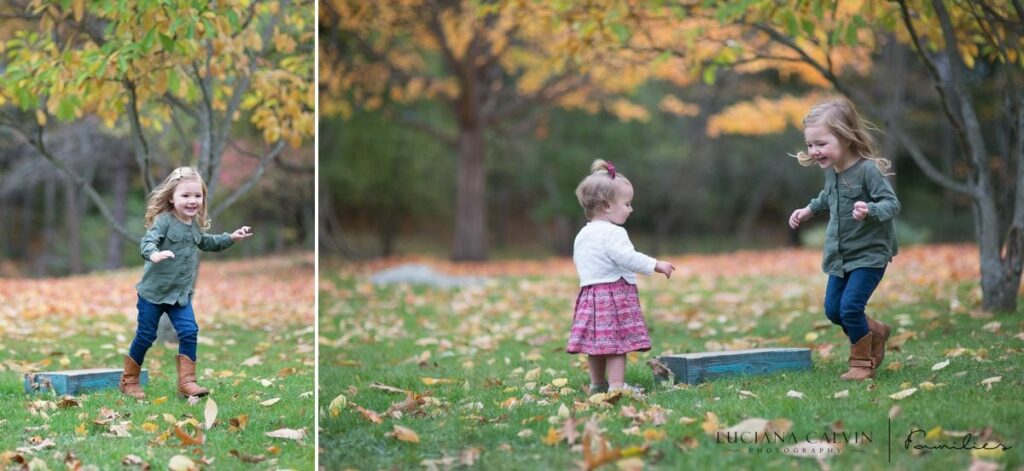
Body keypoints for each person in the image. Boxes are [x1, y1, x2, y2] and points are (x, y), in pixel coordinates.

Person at [788, 97, 900, 381]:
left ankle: (862, 363)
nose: (814, 151)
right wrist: (809, 210)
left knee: (850, 308)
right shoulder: (833, 172)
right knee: (833, 311)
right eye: (810, 144)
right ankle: (874, 330)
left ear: (846, 137)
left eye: (821, 144)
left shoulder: (867, 170)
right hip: (841, 256)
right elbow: (829, 197)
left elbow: (892, 204)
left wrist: (870, 209)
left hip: (869, 255)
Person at [119, 167, 253, 399]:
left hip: (179, 296)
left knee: (189, 331)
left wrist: (231, 237)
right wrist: (153, 254)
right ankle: (129, 381)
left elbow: (207, 242)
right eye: (186, 196)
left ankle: (187, 382)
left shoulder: (194, 226)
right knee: (146, 335)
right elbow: (148, 241)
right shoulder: (164, 221)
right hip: (153, 293)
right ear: (171, 197)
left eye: (197, 196)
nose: (192, 201)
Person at [567, 159, 675, 395]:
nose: (631, 209)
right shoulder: (614, 233)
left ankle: (597, 385)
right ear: (606, 205)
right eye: (627, 203)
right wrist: (655, 264)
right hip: (613, 295)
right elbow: (627, 257)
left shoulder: (582, 234)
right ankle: (617, 386)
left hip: (590, 296)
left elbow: (582, 263)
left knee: (595, 345)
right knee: (616, 344)